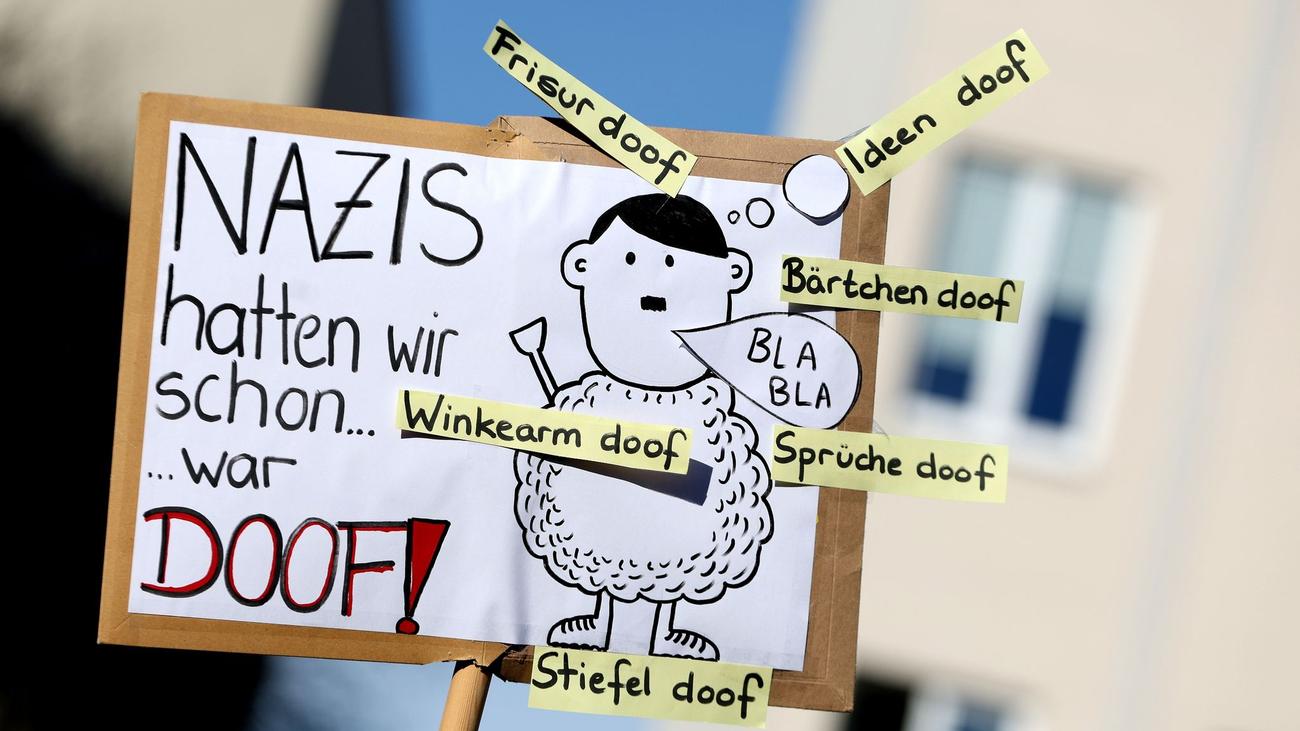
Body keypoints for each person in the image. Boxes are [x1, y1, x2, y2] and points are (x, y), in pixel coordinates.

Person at [514, 193, 774, 661]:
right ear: (581, 266)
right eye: (629, 261)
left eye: (674, 266)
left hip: (690, 429)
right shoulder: (590, 404)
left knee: (677, 543)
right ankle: (605, 621)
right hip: (606, 432)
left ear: (732, 275)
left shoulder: (706, 412)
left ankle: (660, 630)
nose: (653, 291)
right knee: (602, 533)